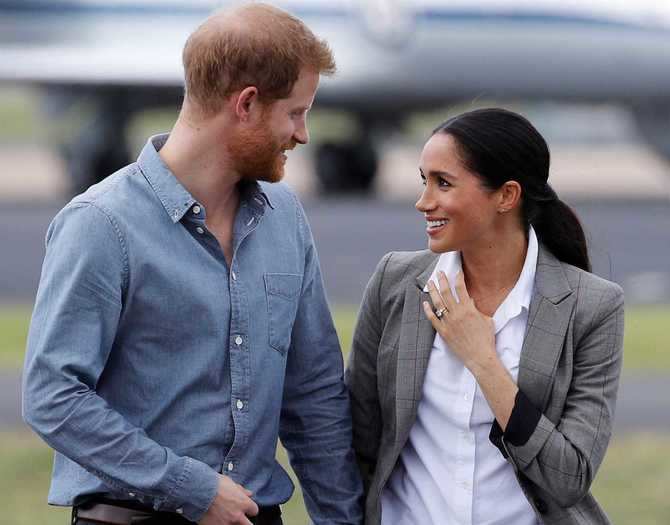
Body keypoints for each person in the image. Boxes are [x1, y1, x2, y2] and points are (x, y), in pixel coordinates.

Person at [22, 4, 363, 525]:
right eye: (295, 112)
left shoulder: (286, 218)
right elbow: (53, 396)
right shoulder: (101, 223)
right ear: (246, 104)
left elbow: (313, 395)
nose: (303, 134)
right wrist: (192, 488)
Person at [346, 108, 625, 525]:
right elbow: (358, 440)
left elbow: (570, 477)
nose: (423, 202)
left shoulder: (593, 307)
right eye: (425, 181)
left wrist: (483, 361)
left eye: (443, 183)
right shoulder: (394, 282)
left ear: (506, 196)